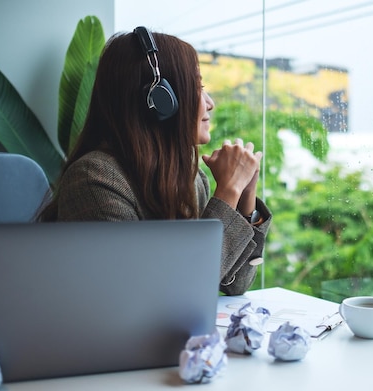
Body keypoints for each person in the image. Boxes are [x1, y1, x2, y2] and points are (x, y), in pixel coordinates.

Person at [36, 27, 271, 296]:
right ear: (161, 100)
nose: (210, 103)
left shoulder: (192, 178)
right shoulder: (94, 180)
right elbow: (165, 296)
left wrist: (245, 195)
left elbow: (234, 284)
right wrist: (228, 191)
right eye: (197, 87)